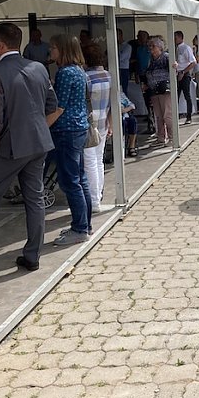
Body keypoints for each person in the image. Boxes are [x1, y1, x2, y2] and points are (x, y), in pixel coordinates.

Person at [0, 23, 58, 280]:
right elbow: (51, 105)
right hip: (38, 143)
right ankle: (33, 256)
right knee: (35, 199)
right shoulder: (39, 68)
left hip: (10, 148)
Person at [48, 34, 93, 245]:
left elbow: (59, 107)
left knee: (70, 181)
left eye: (54, 48)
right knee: (80, 178)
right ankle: (84, 224)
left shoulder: (65, 73)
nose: (51, 52)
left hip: (67, 130)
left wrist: (43, 125)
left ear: (63, 50)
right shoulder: (80, 71)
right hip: (79, 128)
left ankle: (80, 229)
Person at [83, 43, 112, 213]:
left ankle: (94, 201)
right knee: (98, 160)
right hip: (103, 122)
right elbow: (113, 102)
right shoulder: (108, 75)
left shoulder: (86, 78)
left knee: (90, 162)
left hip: (89, 124)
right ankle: (98, 195)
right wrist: (110, 123)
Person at [144, 38, 173, 147]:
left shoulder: (166, 57)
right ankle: (161, 137)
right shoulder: (151, 59)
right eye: (150, 47)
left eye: (153, 47)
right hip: (154, 90)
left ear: (160, 48)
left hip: (164, 90)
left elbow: (174, 69)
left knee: (167, 115)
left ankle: (172, 138)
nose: (151, 50)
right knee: (159, 116)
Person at [174, 31, 196, 125]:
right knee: (176, 95)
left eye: (175, 38)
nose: (174, 40)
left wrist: (183, 72)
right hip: (177, 73)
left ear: (180, 38)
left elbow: (193, 62)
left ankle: (189, 116)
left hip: (184, 73)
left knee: (187, 95)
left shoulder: (186, 48)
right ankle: (176, 115)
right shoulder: (175, 48)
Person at [120, 91, 139, 158]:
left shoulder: (121, 94)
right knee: (122, 124)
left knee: (133, 121)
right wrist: (127, 109)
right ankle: (121, 149)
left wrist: (125, 110)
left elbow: (132, 105)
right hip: (116, 118)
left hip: (126, 115)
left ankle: (131, 146)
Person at [116, 28, 132, 94]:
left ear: (121, 35)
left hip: (123, 69)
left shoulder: (127, 46)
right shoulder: (115, 45)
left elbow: (121, 58)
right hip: (115, 69)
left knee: (123, 88)